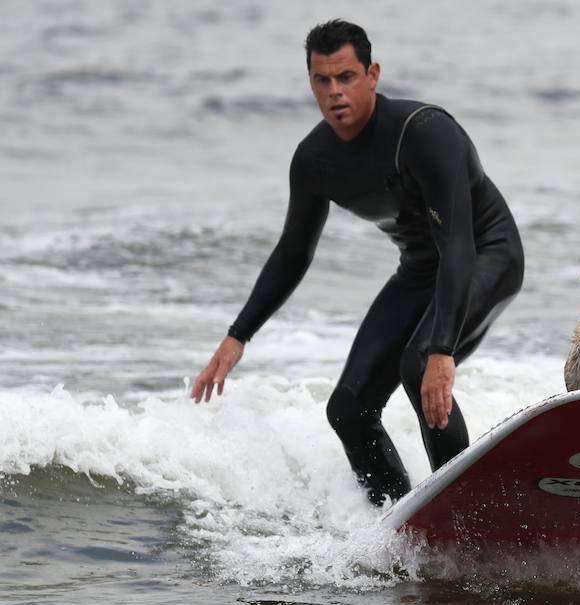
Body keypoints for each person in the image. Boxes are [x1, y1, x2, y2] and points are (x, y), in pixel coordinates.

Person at [191, 19, 524, 506]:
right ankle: (400, 523)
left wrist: (442, 351)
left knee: (419, 362)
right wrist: (238, 334)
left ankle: (468, 509)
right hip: (419, 271)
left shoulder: (426, 133)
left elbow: (457, 244)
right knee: (348, 409)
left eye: (346, 77)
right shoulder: (314, 160)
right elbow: (293, 251)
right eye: (322, 80)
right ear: (310, 84)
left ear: (373, 74)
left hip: (485, 254)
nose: (335, 92)